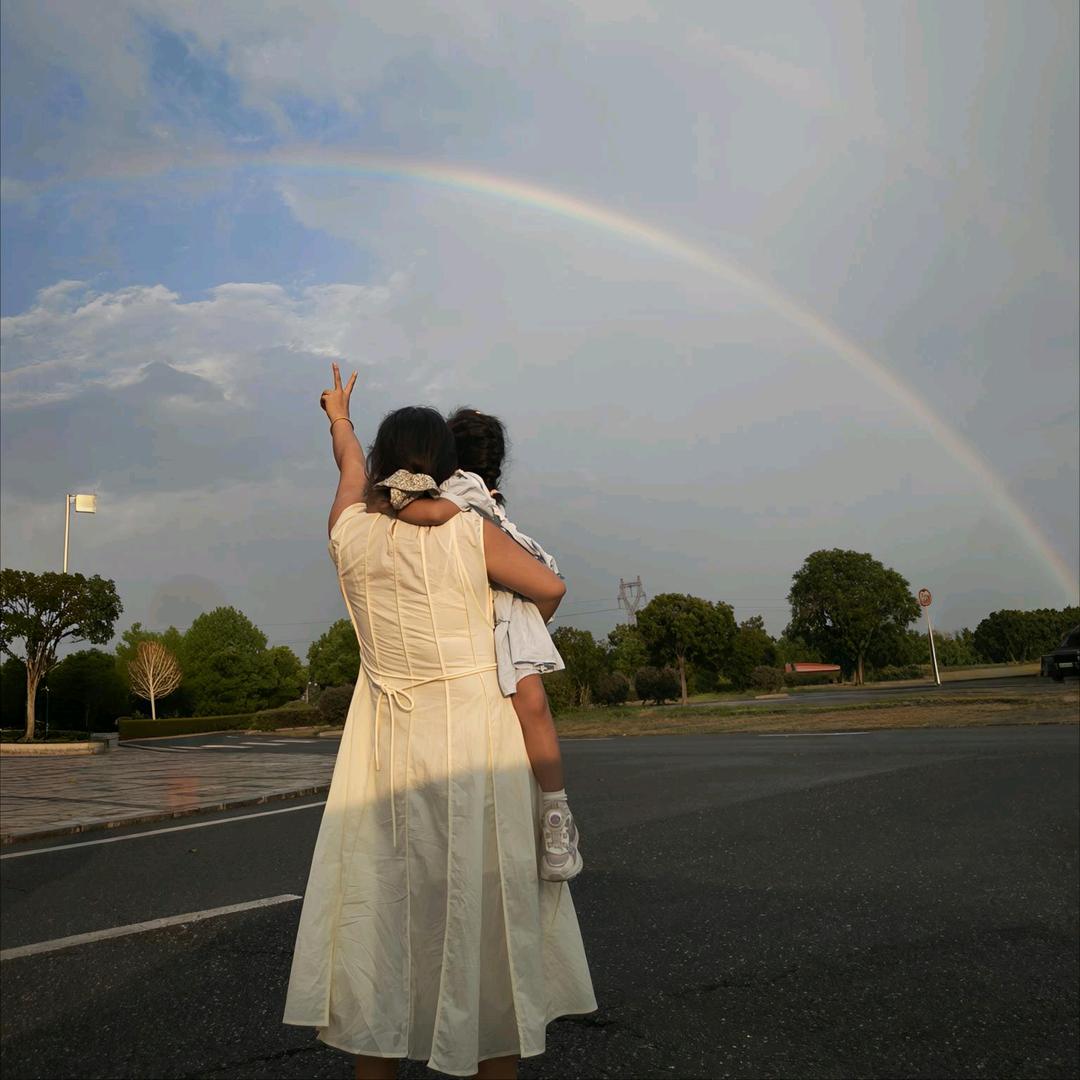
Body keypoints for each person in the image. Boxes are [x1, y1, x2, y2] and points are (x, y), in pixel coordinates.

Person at [283, 364, 596, 1080]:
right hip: (473, 741)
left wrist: (338, 417)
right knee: (486, 921)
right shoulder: (468, 534)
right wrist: (507, 620)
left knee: (383, 926)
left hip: (384, 748)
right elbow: (551, 586)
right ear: (448, 469)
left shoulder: (350, 534)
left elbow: (351, 469)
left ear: (387, 470)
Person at [385, 408, 583, 882]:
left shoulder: (458, 491)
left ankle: (556, 818)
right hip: (508, 605)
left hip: (502, 605)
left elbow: (431, 511)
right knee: (533, 708)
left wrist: (390, 499)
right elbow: (551, 588)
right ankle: (556, 817)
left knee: (527, 707)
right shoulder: (476, 493)